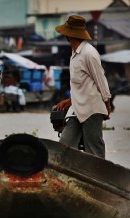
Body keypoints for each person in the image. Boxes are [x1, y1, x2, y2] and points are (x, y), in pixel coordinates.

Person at [54, 15, 112, 159]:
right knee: (64, 145)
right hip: (77, 109)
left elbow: (101, 80)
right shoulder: (74, 54)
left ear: (69, 35)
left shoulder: (89, 53)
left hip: (92, 109)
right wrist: (69, 101)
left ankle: (99, 177)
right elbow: (82, 86)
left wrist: (107, 104)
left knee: (94, 151)